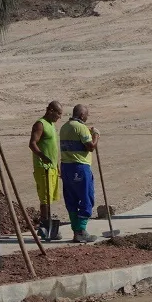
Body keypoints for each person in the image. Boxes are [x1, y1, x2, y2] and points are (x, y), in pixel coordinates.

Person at [59, 104, 99, 243]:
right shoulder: (80, 127)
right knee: (86, 197)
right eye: (87, 115)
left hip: (66, 167)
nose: (87, 118)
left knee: (71, 199)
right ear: (82, 115)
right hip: (80, 167)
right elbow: (91, 147)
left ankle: (76, 230)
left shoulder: (64, 127)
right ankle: (81, 230)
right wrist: (96, 136)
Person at [29, 101, 63, 239]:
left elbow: (53, 148)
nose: (59, 117)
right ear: (50, 110)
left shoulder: (52, 125)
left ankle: (48, 224)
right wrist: (42, 157)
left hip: (52, 167)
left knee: (50, 197)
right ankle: (44, 225)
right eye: (58, 113)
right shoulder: (40, 124)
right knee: (45, 198)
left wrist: (57, 166)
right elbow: (32, 144)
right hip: (43, 168)